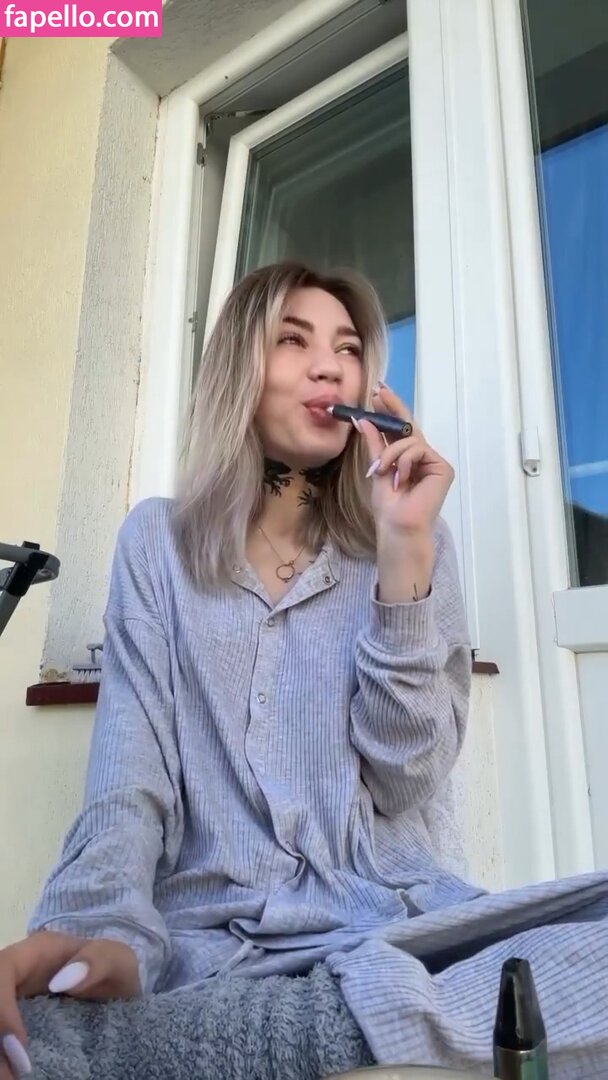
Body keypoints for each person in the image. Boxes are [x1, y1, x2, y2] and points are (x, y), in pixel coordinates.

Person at [1, 262, 607, 1080]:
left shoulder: (417, 538)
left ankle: (245, 1038)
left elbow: (407, 778)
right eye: (294, 341)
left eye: (349, 349)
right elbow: (127, 783)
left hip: (392, 932)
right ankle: (355, 1033)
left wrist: (402, 558)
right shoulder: (157, 544)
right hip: (213, 947)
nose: (331, 367)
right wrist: (93, 931)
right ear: (237, 372)